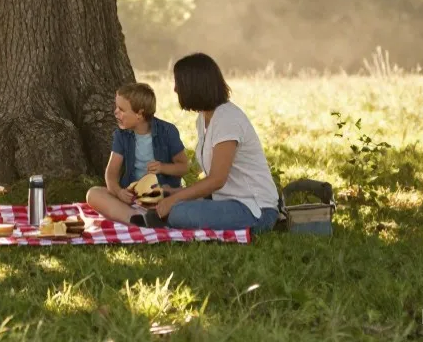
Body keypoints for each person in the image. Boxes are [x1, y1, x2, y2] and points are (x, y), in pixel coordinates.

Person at [145, 52, 280, 232]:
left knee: (177, 212)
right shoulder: (203, 119)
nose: (175, 89)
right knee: (167, 200)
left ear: (194, 85)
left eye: (179, 82)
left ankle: (166, 216)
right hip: (226, 200)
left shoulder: (227, 119)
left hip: (255, 210)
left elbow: (217, 179)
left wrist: (175, 200)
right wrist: (175, 193)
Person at [85, 82, 189, 224]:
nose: (116, 112)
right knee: (93, 193)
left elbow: (184, 167)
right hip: (134, 199)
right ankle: (137, 218)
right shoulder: (121, 135)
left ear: (139, 114)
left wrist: (163, 167)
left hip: (164, 196)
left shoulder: (168, 131)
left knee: (187, 195)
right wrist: (118, 192)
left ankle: (151, 216)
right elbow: (111, 174)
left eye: (121, 109)